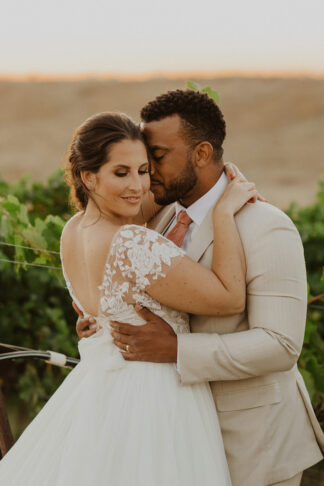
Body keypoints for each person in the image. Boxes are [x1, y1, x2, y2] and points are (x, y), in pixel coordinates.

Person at [76, 90, 324, 486]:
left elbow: (280, 344)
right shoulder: (159, 218)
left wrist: (175, 351)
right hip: (177, 437)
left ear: (202, 154)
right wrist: (103, 321)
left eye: (156, 157)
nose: (147, 172)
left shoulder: (265, 226)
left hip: (252, 443)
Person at [0, 111, 259, 485]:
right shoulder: (131, 242)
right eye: (121, 173)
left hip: (98, 391)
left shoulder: (73, 231)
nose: (138, 185)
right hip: (154, 398)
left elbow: (146, 205)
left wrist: (206, 178)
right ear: (88, 176)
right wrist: (223, 210)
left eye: (143, 170)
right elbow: (229, 297)